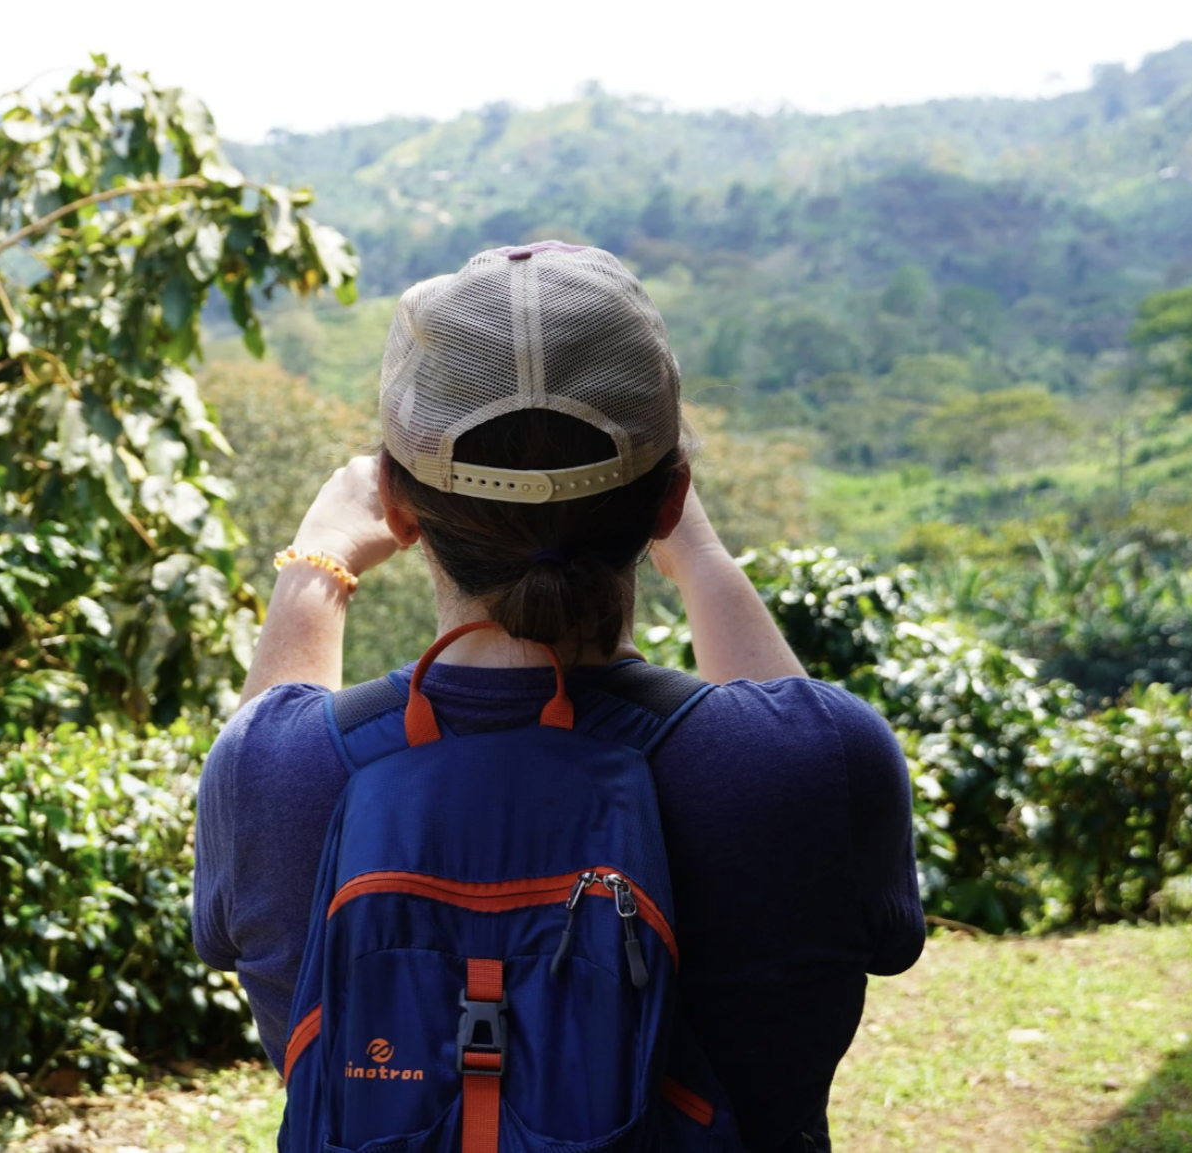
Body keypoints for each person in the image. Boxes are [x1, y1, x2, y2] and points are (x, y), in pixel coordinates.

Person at [192, 243, 925, 1153]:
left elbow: (265, 735)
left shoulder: (274, 772)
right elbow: (786, 724)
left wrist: (316, 569)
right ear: (670, 500)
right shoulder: (821, 763)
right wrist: (697, 553)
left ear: (399, 505)